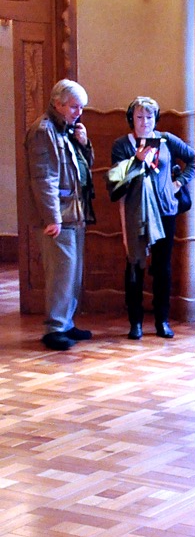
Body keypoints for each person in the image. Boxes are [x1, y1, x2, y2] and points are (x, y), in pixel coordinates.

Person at [107, 95, 195, 339]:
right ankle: (135, 322)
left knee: (162, 267)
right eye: (139, 117)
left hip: (165, 211)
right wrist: (136, 161)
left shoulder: (166, 140)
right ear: (131, 119)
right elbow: (115, 180)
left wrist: (179, 182)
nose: (144, 122)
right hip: (135, 213)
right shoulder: (121, 145)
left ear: (155, 119)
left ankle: (161, 321)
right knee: (135, 265)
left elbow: (193, 159)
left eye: (149, 117)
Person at [24, 78, 96, 352]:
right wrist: (51, 217)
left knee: (73, 272)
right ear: (58, 104)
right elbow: (43, 178)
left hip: (75, 212)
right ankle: (54, 329)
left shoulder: (66, 129)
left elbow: (84, 168)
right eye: (75, 107)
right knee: (61, 273)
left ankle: (66, 323)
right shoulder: (43, 131)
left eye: (81, 107)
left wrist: (84, 144)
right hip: (58, 217)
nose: (79, 112)